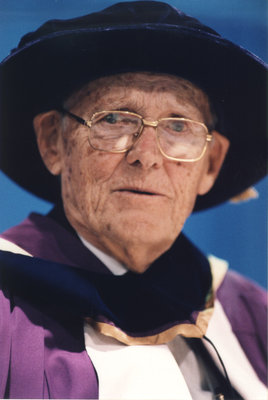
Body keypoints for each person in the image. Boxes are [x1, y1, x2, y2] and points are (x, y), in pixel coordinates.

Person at [0, 2, 267, 399]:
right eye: (114, 118)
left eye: (179, 125)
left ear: (211, 164)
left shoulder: (249, 312)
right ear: (53, 142)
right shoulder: (7, 307)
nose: (148, 155)